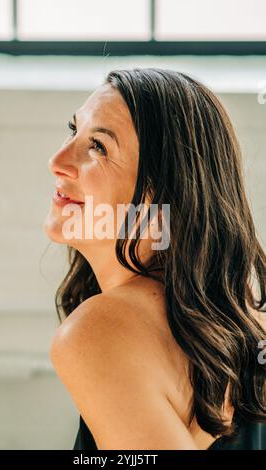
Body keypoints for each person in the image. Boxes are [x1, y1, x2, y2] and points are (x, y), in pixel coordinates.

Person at [43, 68, 266, 450]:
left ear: (160, 193)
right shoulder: (243, 315)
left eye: (98, 146)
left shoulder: (98, 331)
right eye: (73, 129)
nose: (58, 160)